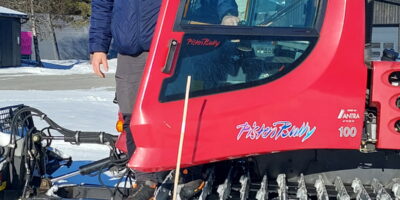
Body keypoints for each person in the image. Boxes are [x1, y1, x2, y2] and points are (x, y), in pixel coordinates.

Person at [89, 0, 239, 199]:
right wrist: (98, 47)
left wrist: (227, 13)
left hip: (179, 43)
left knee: (184, 110)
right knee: (132, 115)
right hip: (132, 51)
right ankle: (145, 178)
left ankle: (189, 172)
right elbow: (102, 5)